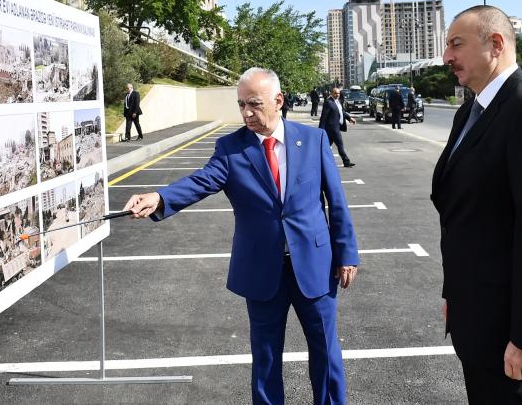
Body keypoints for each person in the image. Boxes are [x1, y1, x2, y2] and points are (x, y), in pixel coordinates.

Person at [123, 68, 359, 404]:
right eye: (241, 105)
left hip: (316, 266)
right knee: (265, 359)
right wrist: (160, 198)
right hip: (262, 271)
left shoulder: (313, 140)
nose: (247, 112)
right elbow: (201, 181)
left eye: (254, 104)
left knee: (327, 354)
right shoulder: (230, 148)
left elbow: (336, 202)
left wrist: (346, 253)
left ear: (278, 101)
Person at [433, 5, 522, 404]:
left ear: (495, 44)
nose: (447, 57)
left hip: (513, 339)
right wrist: (455, 297)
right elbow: (465, 217)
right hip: (478, 322)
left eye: (456, 44)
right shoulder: (471, 111)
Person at [318, 87, 357, 168]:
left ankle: (317, 160)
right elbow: (323, 117)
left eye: (338, 93)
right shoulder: (328, 102)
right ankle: (346, 161)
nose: (337, 95)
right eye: (335, 93)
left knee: (325, 146)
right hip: (331, 129)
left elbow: (342, 112)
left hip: (336, 128)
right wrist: (320, 130)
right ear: (332, 93)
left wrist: (350, 118)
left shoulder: (337, 102)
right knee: (340, 145)